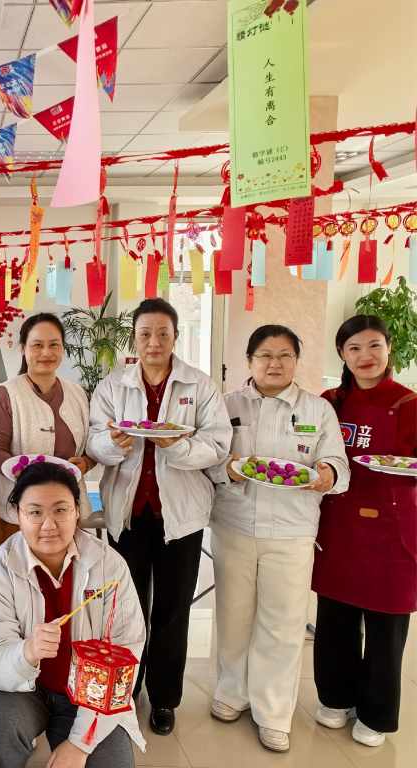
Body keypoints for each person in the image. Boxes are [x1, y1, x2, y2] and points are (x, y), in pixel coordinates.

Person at [86, 298, 231, 736]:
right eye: (145, 333)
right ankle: (127, 688)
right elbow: (95, 441)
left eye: (162, 334)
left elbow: (218, 445)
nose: (154, 342)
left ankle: (165, 699)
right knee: (127, 609)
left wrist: (178, 447)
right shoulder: (113, 385)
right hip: (127, 516)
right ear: (135, 337)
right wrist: (115, 444)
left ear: (175, 338)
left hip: (179, 519)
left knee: (171, 611)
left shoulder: (200, 386)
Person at [204, 325, 347, 753]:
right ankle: (232, 693)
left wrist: (327, 474)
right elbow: (208, 460)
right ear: (249, 360)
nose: (275, 363)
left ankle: (273, 713)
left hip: (293, 530)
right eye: (265, 355)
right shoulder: (225, 404)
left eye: (285, 355)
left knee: (282, 625)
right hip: (234, 525)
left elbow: (336, 459)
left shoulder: (318, 409)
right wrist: (225, 470)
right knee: (233, 617)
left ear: (296, 362)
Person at [0, 461, 145, 768]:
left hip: (90, 694)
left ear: (78, 511)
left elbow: (125, 653)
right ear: (17, 514)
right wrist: (26, 652)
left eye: (61, 510)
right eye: (36, 511)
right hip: (19, 690)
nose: (49, 525)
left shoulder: (109, 566)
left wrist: (79, 745)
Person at [312, 315, 416, 747]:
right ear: (342, 354)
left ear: (389, 348)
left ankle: (376, 713)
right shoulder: (329, 401)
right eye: (354, 348)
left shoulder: (410, 404)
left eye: (374, 346)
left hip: (392, 530)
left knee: (385, 626)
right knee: (334, 619)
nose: (365, 356)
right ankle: (336, 698)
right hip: (338, 523)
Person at [0, 313, 96, 546]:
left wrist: (87, 463)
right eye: (37, 345)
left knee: (65, 576)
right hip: (18, 511)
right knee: (19, 576)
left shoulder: (79, 395)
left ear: (63, 349)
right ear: (24, 348)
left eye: (54, 344)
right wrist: (23, 473)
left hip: (67, 509)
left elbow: (92, 445)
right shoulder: (5, 396)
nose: (47, 353)